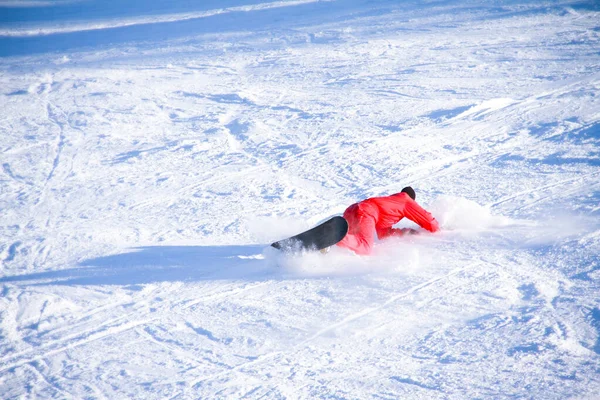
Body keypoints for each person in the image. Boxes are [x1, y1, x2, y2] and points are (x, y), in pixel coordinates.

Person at [336, 186, 439, 255]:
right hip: (366, 212)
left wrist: (405, 232)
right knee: (365, 247)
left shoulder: (389, 205)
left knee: (352, 244)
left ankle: (327, 243)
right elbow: (429, 221)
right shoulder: (406, 201)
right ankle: (336, 236)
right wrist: (439, 230)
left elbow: (383, 234)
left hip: (353, 210)